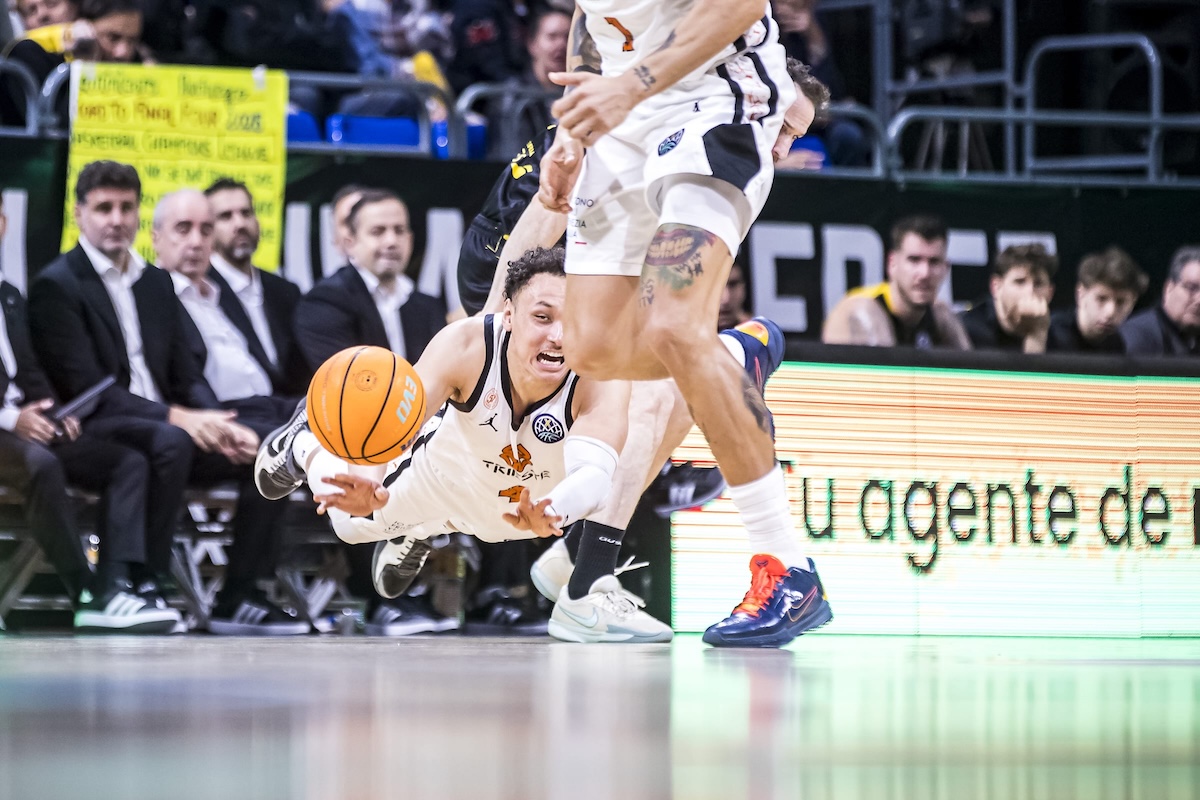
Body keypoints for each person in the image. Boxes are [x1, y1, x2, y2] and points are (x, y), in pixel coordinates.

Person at [536, 3, 833, 647]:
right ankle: (727, 361)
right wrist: (572, 133)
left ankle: (788, 566)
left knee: (673, 324)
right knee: (594, 348)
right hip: (622, 115)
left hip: (714, 94)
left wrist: (630, 84)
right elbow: (592, 18)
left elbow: (741, 4)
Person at [256, 246, 674, 642]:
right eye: (543, 317)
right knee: (349, 524)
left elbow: (596, 474)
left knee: (494, 528)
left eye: (574, 320)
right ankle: (303, 443)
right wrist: (370, 480)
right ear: (509, 314)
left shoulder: (601, 369)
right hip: (437, 476)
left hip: (508, 515)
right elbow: (391, 430)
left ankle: (418, 532)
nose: (560, 336)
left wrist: (555, 508)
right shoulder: (466, 345)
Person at [26, 160, 307, 636]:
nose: (116, 219)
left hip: (164, 426)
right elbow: (90, 391)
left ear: (138, 214)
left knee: (269, 453)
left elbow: (184, 373)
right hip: (96, 426)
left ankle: (240, 594)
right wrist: (183, 418)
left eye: (126, 207)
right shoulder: (58, 285)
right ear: (79, 215)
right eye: (103, 208)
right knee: (166, 442)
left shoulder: (155, 282)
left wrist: (216, 421)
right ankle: (141, 580)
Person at [0, 191, 179, 632]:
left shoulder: (8, 294)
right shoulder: (52, 284)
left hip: (26, 425)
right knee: (40, 465)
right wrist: (12, 420)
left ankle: (118, 584)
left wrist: (56, 411)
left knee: (127, 461)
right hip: (7, 429)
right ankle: (84, 590)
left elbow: (30, 370)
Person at [294, 189, 446, 373]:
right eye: (377, 231)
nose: (391, 241)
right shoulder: (323, 302)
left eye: (399, 230)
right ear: (350, 242)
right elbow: (347, 382)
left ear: (410, 239)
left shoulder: (428, 306)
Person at [204, 178, 306, 396]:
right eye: (225, 216)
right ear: (207, 230)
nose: (240, 224)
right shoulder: (201, 290)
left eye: (246, 213)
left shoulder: (285, 291)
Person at [823, 215, 970, 348]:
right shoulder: (862, 310)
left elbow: (970, 372)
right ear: (892, 264)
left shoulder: (941, 315)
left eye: (934, 262)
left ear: (946, 268)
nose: (925, 273)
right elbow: (884, 375)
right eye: (914, 260)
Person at [1047, 246, 1147, 354]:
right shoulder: (1050, 334)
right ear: (1081, 294)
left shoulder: (1117, 344)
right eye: (1101, 298)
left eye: (1121, 302)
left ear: (1133, 303)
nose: (1110, 312)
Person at [959, 243, 1057, 353]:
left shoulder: (1059, 337)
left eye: (1038, 284)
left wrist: (1037, 333)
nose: (1030, 292)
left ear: (1050, 293)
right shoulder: (968, 330)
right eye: (1019, 282)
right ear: (996, 287)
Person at [1121, 246, 1200, 357]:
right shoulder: (1137, 335)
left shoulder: (1193, 337)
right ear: (1169, 288)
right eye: (1192, 288)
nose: (1199, 300)